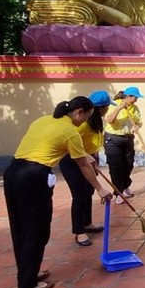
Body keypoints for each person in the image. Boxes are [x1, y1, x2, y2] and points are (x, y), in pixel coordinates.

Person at [3, 97, 112, 288]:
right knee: (37, 230)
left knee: (20, 228)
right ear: (79, 112)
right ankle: (27, 285)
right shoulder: (70, 131)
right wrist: (100, 189)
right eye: (85, 117)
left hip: (12, 173)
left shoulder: (43, 120)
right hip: (34, 178)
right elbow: (83, 165)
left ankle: (29, 273)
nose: (84, 121)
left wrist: (85, 155)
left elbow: (53, 146)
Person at [58, 91, 114, 247]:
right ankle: (79, 231)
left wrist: (94, 155)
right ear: (101, 108)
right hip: (73, 161)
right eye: (108, 106)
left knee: (88, 192)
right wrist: (84, 156)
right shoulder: (81, 124)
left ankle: (87, 223)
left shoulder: (96, 122)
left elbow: (93, 141)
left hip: (88, 158)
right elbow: (68, 143)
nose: (108, 109)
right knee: (79, 194)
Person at [104, 86, 143, 204]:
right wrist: (119, 108)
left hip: (128, 138)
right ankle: (118, 193)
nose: (136, 100)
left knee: (128, 164)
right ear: (128, 96)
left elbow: (139, 122)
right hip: (113, 139)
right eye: (134, 98)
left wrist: (137, 127)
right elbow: (109, 120)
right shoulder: (114, 104)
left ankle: (125, 186)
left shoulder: (135, 108)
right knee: (116, 167)